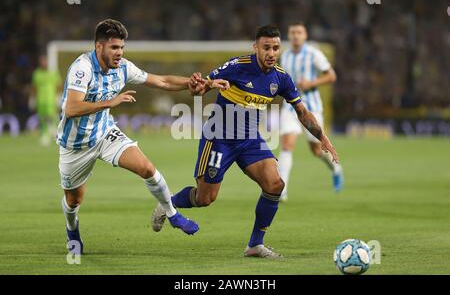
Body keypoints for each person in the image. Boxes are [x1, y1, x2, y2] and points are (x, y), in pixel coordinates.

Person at [152, 25, 340, 258]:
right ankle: (168, 203)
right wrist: (206, 85)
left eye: (276, 48)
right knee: (205, 198)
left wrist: (322, 138)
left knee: (275, 185)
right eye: (266, 48)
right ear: (256, 47)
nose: (271, 53)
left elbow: (301, 111)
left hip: (250, 139)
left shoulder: (281, 78)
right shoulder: (236, 66)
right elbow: (198, 90)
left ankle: (255, 245)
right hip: (219, 138)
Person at [57, 19, 227, 255]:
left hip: (105, 134)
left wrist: (195, 83)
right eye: (114, 47)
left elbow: (162, 80)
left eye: (122, 47)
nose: (119, 53)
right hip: (75, 145)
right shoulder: (82, 68)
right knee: (74, 200)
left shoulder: (123, 67)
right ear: (99, 47)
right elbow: (71, 108)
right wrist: (111, 102)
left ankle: (172, 214)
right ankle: (72, 230)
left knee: (147, 168)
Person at [278, 22, 343, 200]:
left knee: (316, 150)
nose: (296, 36)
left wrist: (311, 83)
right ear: (289, 36)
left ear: (305, 35)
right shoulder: (285, 56)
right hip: (290, 107)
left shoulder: (314, 54)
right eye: (292, 32)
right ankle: (281, 190)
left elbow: (332, 75)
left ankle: (336, 168)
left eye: (299, 32)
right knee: (286, 144)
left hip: (311, 108)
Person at [31, 55, 61, 146]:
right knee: (42, 118)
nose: (43, 63)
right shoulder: (37, 73)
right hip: (40, 100)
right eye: (42, 61)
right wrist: (32, 98)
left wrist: (58, 96)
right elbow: (34, 87)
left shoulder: (53, 72)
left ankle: (55, 132)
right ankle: (45, 135)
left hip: (51, 99)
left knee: (52, 117)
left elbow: (58, 84)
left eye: (45, 61)